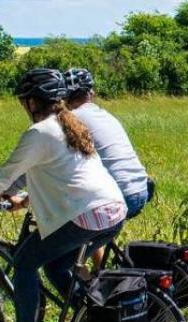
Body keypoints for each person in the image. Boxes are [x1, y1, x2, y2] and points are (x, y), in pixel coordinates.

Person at [0, 68, 126, 322]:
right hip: (112, 212)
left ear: (33, 102)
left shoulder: (40, 132)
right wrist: (25, 199)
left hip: (87, 215)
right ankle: (92, 320)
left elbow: (4, 176)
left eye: (23, 100)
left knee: (24, 262)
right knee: (57, 267)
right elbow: (66, 178)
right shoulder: (68, 124)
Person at [64, 68, 150, 220]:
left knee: (64, 231)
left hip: (117, 194)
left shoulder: (71, 120)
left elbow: (48, 159)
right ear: (91, 93)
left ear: (64, 97)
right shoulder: (105, 115)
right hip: (140, 187)